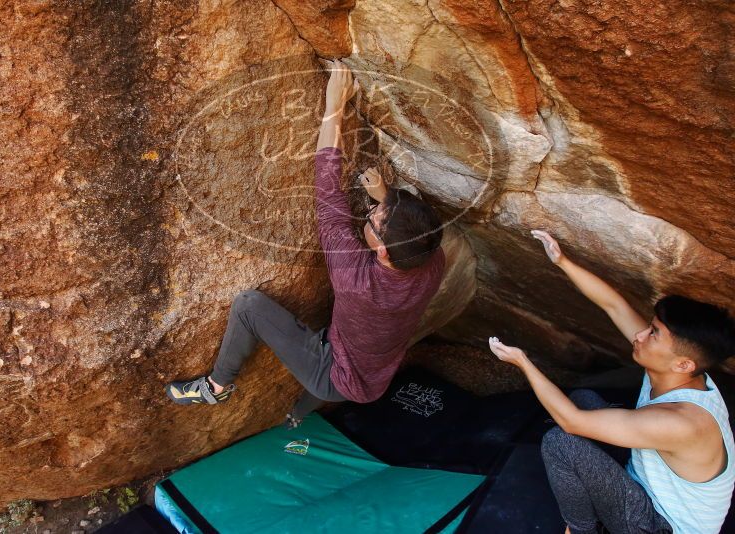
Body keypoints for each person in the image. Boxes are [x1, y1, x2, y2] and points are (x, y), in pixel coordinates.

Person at [165, 60, 445, 428]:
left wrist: (333, 109)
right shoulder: (431, 260)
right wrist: (388, 197)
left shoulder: (356, 280)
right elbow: (416, 231)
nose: (372, 211)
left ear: (381, 251)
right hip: (376, 375)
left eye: (375, 219)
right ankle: (297, 413)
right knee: (337, 382)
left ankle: (216, 386)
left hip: (333, 373)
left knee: (248, 306)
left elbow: (328, 196)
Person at [488, 230, 735, 534]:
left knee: (560, 443)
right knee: (584, 399)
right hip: (648, 485)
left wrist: (523, 362)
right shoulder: (679, 371)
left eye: (653, 334)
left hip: (661, 526)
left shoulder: (682, 422)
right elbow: (614, 306)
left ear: (684, 363)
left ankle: (583, 530)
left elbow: (571, 423)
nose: (640, 335)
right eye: (650, 328)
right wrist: (562, 261)